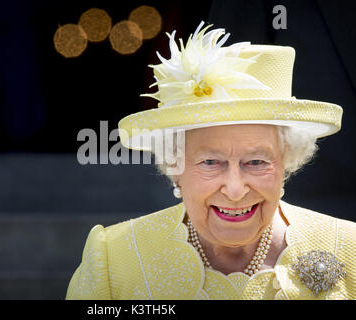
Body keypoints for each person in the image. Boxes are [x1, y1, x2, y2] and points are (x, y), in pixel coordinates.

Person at [66, 22, 355, 300]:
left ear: (286, 160)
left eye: (255, 162)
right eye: (210, 162)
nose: (235, 189)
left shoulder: (348, 247)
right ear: (174, 165)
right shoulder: (115, 258)